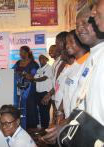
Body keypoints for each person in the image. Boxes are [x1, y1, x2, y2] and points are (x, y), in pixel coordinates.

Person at [41, 5, 104, 144]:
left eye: (86, 22)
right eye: (77, 25)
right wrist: (64, 123)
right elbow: (82, 101)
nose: (80, 28)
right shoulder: (91, 58)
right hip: (86, 132)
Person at [13, 46, 39, 129]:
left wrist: (24, 74)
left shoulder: (33, 64)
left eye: (22, 52)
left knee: (30, 107)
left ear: (27, 53)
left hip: (29, 89)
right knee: (19, 106)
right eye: (20, 52)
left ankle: (31, 127)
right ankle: (20, 124)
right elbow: (12, 71)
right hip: (18, 88)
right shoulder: (18, 63)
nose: (20, 54)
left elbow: (32, 76)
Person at [30, 53, 53, 129]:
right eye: (40, 58)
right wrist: (31, 78)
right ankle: (43, 128)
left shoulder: (49, 68)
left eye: (43, 58)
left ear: (47, 59)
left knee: (45, 112)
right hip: (38, 93)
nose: (41, 60)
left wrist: (33, 79)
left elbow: (44, 78)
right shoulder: (39, 69)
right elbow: (36, 78)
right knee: (41, 111)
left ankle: (46, 128)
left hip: (45, 93)